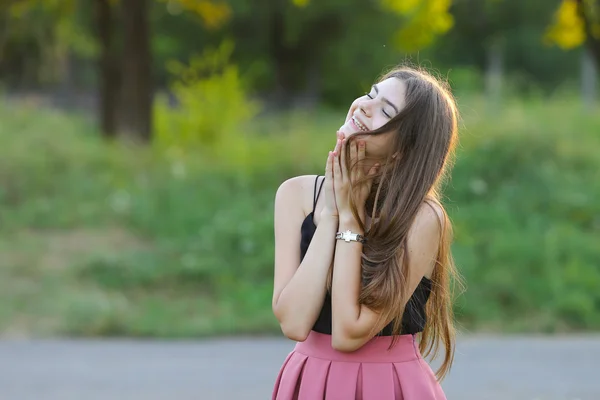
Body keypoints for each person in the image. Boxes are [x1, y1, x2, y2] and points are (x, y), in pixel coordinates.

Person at [271, 66, 462, 400]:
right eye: (372, 94)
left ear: (404, 149)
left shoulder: (423, 218)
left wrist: (350, 220)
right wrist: (330, 213)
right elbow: (293, 323)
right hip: (310, 381)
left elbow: (348, 332)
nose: (364, 106)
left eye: (385, 111)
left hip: (387, 385)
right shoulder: (295, 195)